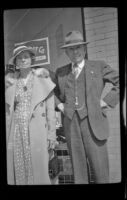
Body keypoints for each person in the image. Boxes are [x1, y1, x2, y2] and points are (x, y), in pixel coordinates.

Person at [55, 30, 119, 184]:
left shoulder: (98, 66)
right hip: (71, 126)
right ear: (66, 52)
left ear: (84, 49)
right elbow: (52, 92)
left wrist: (106, 101)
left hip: (94, 125)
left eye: (78, 47)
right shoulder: (61, 72)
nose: (75, 51)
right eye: (71, 49)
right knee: (79, 173)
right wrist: (59, 105)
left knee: (100, 171)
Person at [5, 45, 57, 185]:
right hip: (16, 130)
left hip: (37, 130)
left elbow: (50, 110)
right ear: (15, 62)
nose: (23, 60)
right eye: (20, 58)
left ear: (31, 60)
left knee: (38, 168)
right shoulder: (10, 82)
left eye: (26, 57)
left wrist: (52, 134)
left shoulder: (43, 78)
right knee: (18, 166)